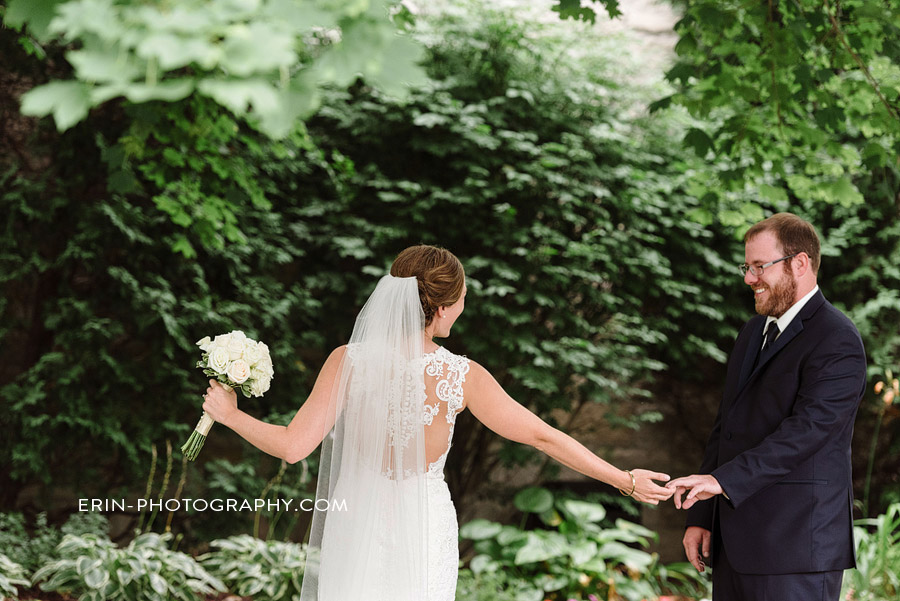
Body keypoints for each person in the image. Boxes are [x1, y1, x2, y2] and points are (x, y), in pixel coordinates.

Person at [201, 244, 673, 601]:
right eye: (463, 298)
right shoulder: (460, 376)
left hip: (355, 530)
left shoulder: (347, 361)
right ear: (443, 307)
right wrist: (625, 480)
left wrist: (230, 415)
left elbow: (290, 446)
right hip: (426, 530)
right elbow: (543, 436)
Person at [666, 213, 867, 601]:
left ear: (800, 263)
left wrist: (721, 482)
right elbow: (726, 428)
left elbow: (806, 433)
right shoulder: (752, 332)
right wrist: (703, 516)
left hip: (796, 551)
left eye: (760, 266)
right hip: (734, 548)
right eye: (747, 267)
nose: (749, 278)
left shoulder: (838, 339)